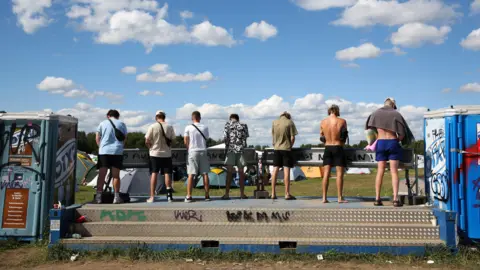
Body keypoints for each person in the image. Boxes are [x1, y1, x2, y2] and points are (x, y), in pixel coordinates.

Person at [366, 97, 414, 207]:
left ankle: (377, 198)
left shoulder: (375, 114)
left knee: (380, 171)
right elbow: (402, 134)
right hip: (392, 142)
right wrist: (396, 140)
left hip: (381, 142)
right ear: (393, 105)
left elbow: (370, 131)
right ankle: (396, 199)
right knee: (394, 172)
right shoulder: (396, 114)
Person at [95, 109, 127, 204]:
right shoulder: (122, 124)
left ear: (108, 115)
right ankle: (116, 197)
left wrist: (100, 147)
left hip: (104, 152)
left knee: (102, 175)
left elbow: (97, 137)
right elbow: (125, 138)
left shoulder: (102, 123)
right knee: (116, 176)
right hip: (117, 151)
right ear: (117, 116)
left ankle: (98, 197)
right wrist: (121, 147)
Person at [145, 110, 175, 203]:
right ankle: (169, 196)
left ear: (156, 117)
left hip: (155, 153)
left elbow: (147, 140)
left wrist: (150, 147)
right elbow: (173, 140)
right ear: (164, 117)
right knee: (167, 173)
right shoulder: (169, 126)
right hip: (166, 153)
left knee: (154, 173)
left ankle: (152, 196)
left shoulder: (152, 126)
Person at [320, 105, 349, 204]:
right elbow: (344, 136)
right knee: (339, 174)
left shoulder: (323, 122)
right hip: (338, 147)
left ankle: (324, 198)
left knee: (326, 174)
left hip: (327, 148)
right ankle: (340, 198)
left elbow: (322, 137)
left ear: (329, 112)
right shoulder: (342, 121)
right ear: (337, 111)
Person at [184, 111, 210, 202]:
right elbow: (207, 138)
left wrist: (189, 149)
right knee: (205, 173)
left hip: (193, 151)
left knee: (191, 174)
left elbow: (185, 140)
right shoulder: (205, 127)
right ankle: (207, 195)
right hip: (203, 150)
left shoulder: (188, 127)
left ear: (192, 118)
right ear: (200, 117)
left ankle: (189, 196)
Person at [271, 111, 298, 200]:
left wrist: (275, 145)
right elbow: (292, 137)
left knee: (275, 170)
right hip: (286, 149)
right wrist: (290, 146)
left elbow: (273, 137)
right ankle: (286, 193)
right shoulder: (290, 122)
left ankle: (273, 193)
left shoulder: (274, 122)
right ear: (288, 116)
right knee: (286, 171)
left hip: (276, 148)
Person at [222, 114, 249, 200]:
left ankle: (227, 194)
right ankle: (242, 194)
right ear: (238, 119)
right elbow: (245, 138)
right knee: (241, 173)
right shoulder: (244, 125)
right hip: (240, 150)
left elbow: (225, 138)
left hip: (230, 150)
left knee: (229, 172)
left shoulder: (227, 125)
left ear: (230, 119)